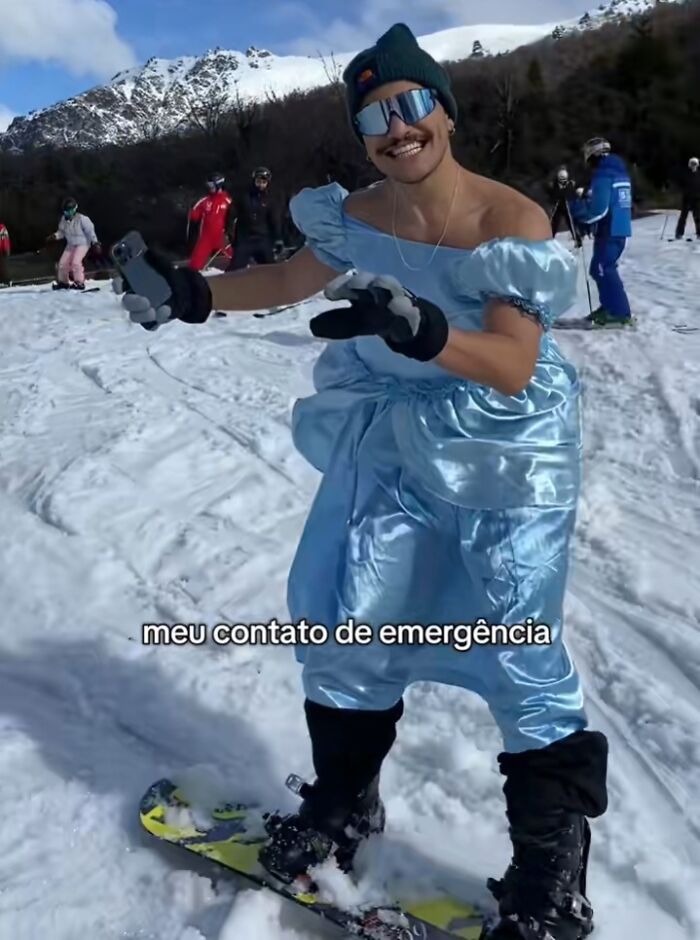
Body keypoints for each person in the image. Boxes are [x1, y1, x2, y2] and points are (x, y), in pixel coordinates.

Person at [115, 23, 608, 940]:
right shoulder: (359, 216)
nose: (398, 127)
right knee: (344, 617)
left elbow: (510, 363)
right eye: (377, 115)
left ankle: (549, 877)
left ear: (445, 113)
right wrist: (193, 294)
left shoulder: (513, 222)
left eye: (413, 104)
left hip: (506, 449)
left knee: (517, 646)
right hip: (394, 441)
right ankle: (343, 807)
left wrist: (423, 332)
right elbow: (287, 279)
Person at [571, 137, 633, 328]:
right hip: (617, 228)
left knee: (603, 268)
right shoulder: (619, 173)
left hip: (610, 230)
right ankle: (609, 307)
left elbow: (598, 210)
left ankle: (619, 313)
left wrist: (577, 208)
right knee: (599, 268)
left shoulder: (604, 175)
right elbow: (611, 200)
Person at [226, 167, 284, 270]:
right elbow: (231, 214)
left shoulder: (270, 198)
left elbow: (274, 220)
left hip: (262, 238)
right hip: (245, 238)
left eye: (263, 182)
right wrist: (230, 233)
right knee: (235, 268)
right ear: (254, 181)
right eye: (258, 182)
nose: (261, 185)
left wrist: (278, 238)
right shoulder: (244, 195)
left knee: (271, 268)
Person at [47, 198, 101, 290]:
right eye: (67, 212)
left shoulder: (82, 219)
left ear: (75, 209)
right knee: (62, 263)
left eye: (71, 211)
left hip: (82, 243)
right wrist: (55, 236)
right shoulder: (64, 220)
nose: (69, 214)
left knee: (75, 262)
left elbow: (90, 232)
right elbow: (62, 232)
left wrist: (95, 242)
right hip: (71, 244)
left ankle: (79, 282)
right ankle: (63, 282)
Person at [188, 173, 235, 270]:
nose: (210, 188)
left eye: (212, 186)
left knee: (236, 257)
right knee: (195, 263)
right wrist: (191, 211)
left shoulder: (228, 201)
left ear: (219, 185)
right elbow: (194, 216)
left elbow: (235, 219)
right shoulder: (205, 201)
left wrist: (230, 233)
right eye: (208, 186)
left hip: (222, 236)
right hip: (206, 237)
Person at [548, 167, 581, 245]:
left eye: (564, 179)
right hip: (558, 205)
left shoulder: (570, 184)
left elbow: (572, 194)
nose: (563, 181)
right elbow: (554, 195)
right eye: (561, 179)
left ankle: (577, 239)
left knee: (571, 223)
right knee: (554, 223)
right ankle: (549, 239)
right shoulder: (555, 184)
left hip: (567, 206)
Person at [675, 156, 700, 240]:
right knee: (683, 217)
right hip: (687, 199)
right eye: (692, 164)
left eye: (695, 164)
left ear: (697, 165)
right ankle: (679, 233)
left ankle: (699, 233)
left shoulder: (698, 175)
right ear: (690, 165)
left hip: (696, 198)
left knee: (698, 217)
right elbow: (681, 184)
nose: (693, 165)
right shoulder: (686, 174)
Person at [0, 221, 11, 286]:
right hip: (5, 249)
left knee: (3, 267)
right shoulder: (2, 227)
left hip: (3, 249)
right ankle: (5, 281)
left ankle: (6, 281)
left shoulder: (1, 227)